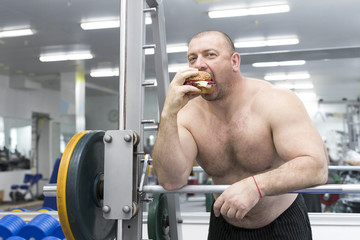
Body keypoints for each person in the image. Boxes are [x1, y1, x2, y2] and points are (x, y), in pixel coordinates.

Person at [152, 30, 328, 239]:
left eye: (210, 55)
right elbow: (171, 180)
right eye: (192, 58)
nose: (198, 65)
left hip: (282, 222)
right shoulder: (187, 113)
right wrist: (168, 113)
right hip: (223, 224)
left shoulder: (276, 101)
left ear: (234, 61)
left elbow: (316, 167)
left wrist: (256, 186)